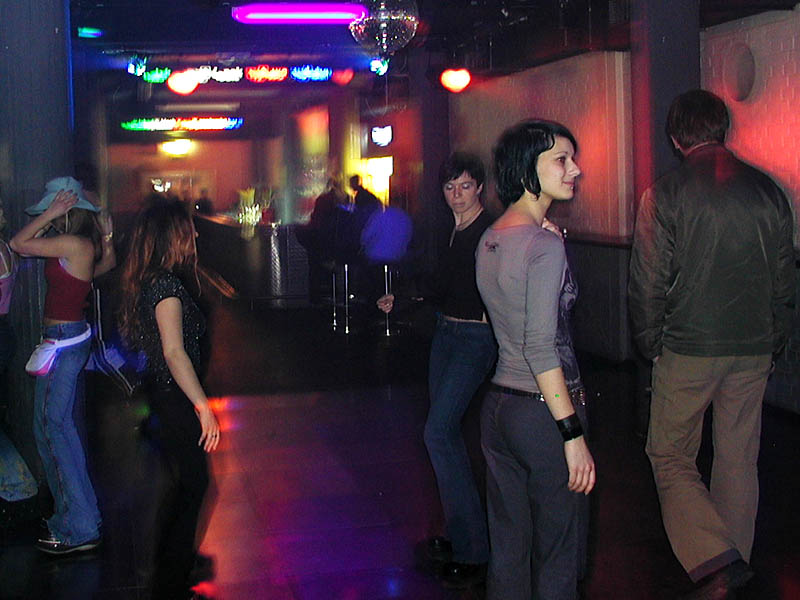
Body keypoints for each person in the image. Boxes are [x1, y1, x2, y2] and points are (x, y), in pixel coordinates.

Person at [628, 89, 796, 599]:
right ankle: (732, 566)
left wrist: (649, 342)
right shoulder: (769, 192)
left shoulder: (665, 194)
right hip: (754, 346)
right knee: (738, 457)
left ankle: (715, 561)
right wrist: (776, 340)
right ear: (724, 129)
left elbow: (648, 283)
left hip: (689, 346)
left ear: (676, 138)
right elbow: (784, 279)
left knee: (669, 453)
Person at [475, 120, 595, 600]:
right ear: (528, 170)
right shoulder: (542, 244)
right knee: (559, 554)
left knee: (508, 550)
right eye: (561, 160)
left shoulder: (491, 237)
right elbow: (541, 347)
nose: (575, 169)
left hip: (499, 408)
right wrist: (572, 434)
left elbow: (503, 318)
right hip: (545, 413)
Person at [377, 153, 495, 588]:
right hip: (447, 333)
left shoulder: (489, 232)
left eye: (465, 186)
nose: (457, 195)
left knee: (439, 432)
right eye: (450, 187)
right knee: (444, 435)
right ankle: (461, 535)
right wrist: (403, 298)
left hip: (475, 338)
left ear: (479, 187)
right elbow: (442, 284)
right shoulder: (452, 230)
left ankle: (474, 549)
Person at [117, 199, 220, 600]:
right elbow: (175, 353)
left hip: (165, 397)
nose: (195, 234)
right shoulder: (166, 287)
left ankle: (171, 567)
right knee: (194, 485)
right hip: (175, 398)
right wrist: (203, 407)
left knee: (184, 487)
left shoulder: (154, 279)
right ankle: (171, 583)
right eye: (188, 229)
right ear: (172, 236)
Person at [10, 176, 116, 555]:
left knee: (53, 433)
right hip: (68, 340)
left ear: (67, 209)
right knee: (56, 432)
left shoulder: (73, 243)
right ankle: (83, 516)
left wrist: (49, 214)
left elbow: (18, 244)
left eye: (54, 210)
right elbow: (106, 265)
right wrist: (107, 236)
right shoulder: (78, 245)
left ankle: (78, 528)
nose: (50, 217)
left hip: (63, 342)